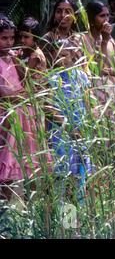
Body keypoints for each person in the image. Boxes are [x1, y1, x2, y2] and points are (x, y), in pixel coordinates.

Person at [0, 15, 51, 200]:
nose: (9, 42)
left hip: (19, 117)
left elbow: (26, 77)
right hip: (5, 116)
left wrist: (16, 60)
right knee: (4, 164)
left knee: (17, 164)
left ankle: (17, 210)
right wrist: (26, 95)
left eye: (11, 38)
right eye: (4, 38)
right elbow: (6, 93)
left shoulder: (12, 58)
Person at [48, 42, 95, 201]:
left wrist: (89, 124)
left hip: (80, 129)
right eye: (58, 55)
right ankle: (61, 214)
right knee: (62, 172)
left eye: (64, 55)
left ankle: (78, 211)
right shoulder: (52, 78)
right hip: (60, 132)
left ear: (72, 55)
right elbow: (48, 107)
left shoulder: (81, 76)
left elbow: (87, 103)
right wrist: (67, 126)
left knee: (80, 171)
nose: (61, 59)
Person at [42, 0, 84, 68]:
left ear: (75, 17)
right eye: (59, 11)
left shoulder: (79, 39)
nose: (63, 15)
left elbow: (84, 66)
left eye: (68, 12)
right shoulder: (47, 39)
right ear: (54, 16)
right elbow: (41, 68)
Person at [16, 16, 47, 87]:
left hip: (35, 93)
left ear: (35, 37)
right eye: (20, 37)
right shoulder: (25, 51)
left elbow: (24, 77)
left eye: (26, 37)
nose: (22, 40)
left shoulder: (35, 56)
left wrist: (15, 59)